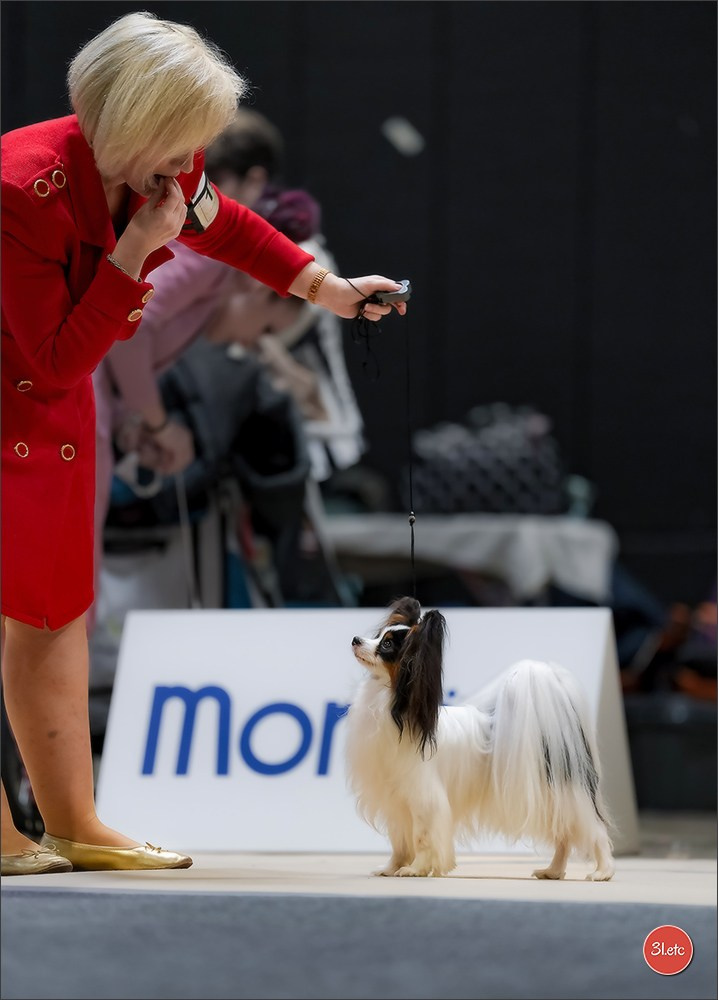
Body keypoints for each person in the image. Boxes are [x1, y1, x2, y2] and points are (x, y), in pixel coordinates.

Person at [0, 11, 406, 876]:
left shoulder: (162, 160)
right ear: (121, 122)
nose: (190, 168)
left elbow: (223, 225)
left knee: (55, 614)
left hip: (54, 424)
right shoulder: (18, 187)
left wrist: (326, 287)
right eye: (178, 146)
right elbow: (56, 360)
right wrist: (139, 250)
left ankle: (73, 822)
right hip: (26, 398)